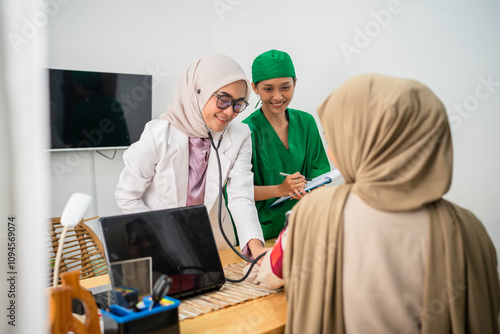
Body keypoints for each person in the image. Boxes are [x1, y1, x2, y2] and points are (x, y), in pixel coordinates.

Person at [252, 74, 500, 333]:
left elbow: (270, 275)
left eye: (335, 139)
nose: (333, 152)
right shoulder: (468, 230)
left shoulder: (315, 213)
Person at [115, 54, 266, 259]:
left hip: (218, 243)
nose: (230, 112)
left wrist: (256, 248)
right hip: (162, 244)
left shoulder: (240, 135)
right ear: (197, 93)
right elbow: (127, 195)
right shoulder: (157, 134)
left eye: (239, 104)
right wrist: (156, 236)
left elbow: (241, 196)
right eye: (223, 100)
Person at [242, 49, 330, 240]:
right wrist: (280, 190)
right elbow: (238, 192)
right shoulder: (246, 132)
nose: (278, 96)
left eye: (285, 87)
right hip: (263, 232)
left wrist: (311, 192)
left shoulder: (306, 123)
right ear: (255, 88)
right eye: (268, 89)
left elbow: (320, 176)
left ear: (295, 83)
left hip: (306, 225)